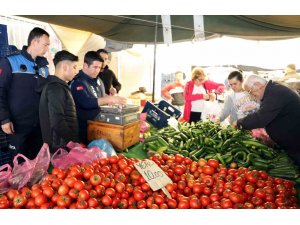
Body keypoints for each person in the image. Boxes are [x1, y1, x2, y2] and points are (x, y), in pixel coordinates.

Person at [0, 27, 50, 159]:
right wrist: (4, 119)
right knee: (19, 163)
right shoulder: (10, 62)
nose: (47, 49)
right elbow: (1, 91)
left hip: (39, 125)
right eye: (46, 45)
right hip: (17, 125)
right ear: (34, 42)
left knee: (38, 162)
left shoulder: (44, 67)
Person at [235, 75, 300, 166]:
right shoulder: (273, 89)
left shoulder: (275, 93)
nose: (251, 95)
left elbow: (260, 118)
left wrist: (239, 123)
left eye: (250, 92)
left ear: (258, 85)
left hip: (296, 144)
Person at [70, 51, 126, 144]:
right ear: (85, 66)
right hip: (85, 130)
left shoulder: (98, 80)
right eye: (95, 67)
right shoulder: (78, 82)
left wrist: (113, 101)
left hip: (100, 127)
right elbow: (86, 102)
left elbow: (101, 96)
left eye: (99, 67)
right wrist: (109, 99)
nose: (97, 70)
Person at [39, 50, 80, 153]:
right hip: (59, 147)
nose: (76, 71)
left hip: (62, 144)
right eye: (74, 67)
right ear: (65, 67)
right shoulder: (55, 88)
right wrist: (74, 142)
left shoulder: (59, 86)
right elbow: (57, 122)